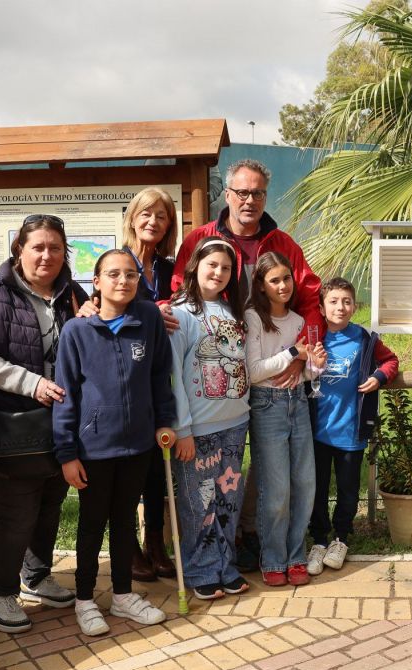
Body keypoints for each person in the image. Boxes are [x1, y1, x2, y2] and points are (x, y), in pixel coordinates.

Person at [170, 159, 324, 571]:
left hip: (274, 380)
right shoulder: (201, 238)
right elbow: (178, 295)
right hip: (218, 385)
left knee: (263, 475)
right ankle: (214, 555)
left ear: (265, 196)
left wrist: (302, 350)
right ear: (227, 194)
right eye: (242, 192)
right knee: (211, 477)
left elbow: (309, 300)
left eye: (257, 193)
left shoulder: (284, 243)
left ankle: (256, 543)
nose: (249, 200)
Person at [0, 214, 86, 634]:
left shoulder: (74, 294)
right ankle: (0, 594)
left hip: (63, 425)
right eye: (38, 247)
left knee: (51, 502)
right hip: (8, 425)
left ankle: (36, 575)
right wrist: (30, 383)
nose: (46, 255)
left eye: (55, 247)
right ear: (19, 249)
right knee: (16, 512)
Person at [53, 249, 176, 635]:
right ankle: (85, 599)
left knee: (125, 523)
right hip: (93, 449)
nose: (122, 281)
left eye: (130, 275)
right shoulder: (77, 331)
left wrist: (164, 422)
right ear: (98, 282)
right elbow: (66, 394)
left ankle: (122, 595)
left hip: (138, 445)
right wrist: (67, 453)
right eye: (113, 274)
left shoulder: (148, 320)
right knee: (92, 524)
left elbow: (160, 376)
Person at [168, 237, 253, 600]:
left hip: (234, 423)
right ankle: (200, 568)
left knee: (227, 500)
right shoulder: (181, 313)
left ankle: (225, 565)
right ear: (195, 266)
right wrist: (182, 429)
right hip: (197, 431)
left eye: (226, 268)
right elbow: (172, 374)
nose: (218, 273)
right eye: (212, 265)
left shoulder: (233, 312)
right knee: (198, 503)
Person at [244, 252, 326, 586]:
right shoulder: (253, 318)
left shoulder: (297, 321)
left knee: (305, 483)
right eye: (274, 280)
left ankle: (297, 556)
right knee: (276, 490)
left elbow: (305, 374)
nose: (283, 285)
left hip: (298, 403)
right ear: (261, 286)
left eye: (287, 279)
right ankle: (274, 558)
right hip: (266, 406)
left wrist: (314, 365)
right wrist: (294, 353)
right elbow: (253, 372)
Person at [308, 278, 400, 573]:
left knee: (348, 490)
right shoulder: (314, 336)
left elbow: (390, 361)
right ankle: (319, 539)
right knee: (317, 489)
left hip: (351, 430)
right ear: (321, 308)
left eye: (347, 301)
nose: (340, 307)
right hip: (317, 432)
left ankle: (340, 538)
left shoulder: (363, 338)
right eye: (333, 301)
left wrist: (380, 377)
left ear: (354, 306)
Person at [120, 187, 181, 582]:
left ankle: (155, 543)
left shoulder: (167, 267)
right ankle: (127, 546)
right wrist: (151, 311)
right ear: (132, 218)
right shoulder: (117, 261)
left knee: (159, 467)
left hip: (163, 373)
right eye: (146, 214)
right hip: (126, 377)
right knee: (129, 466)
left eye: (161, 216)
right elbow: (103, 309)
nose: (152, 222)